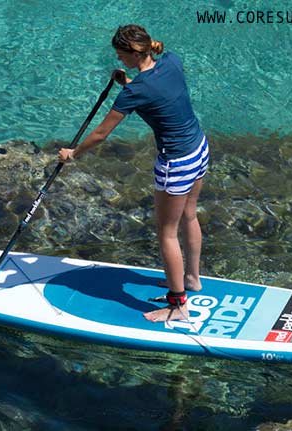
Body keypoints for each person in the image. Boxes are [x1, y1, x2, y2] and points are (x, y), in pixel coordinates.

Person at [58, 24, 209, 322]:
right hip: (199, 149)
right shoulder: (170, 61)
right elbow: (159, 95)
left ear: (132, 52)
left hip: (176, 163)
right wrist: (127, 82)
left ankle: (178, 305)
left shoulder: (136, 91)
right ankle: (192, 279)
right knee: (189, 216)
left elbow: (101, 134)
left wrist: (73, 154)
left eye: (119, 54)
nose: (118, 58)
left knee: (166, 233)